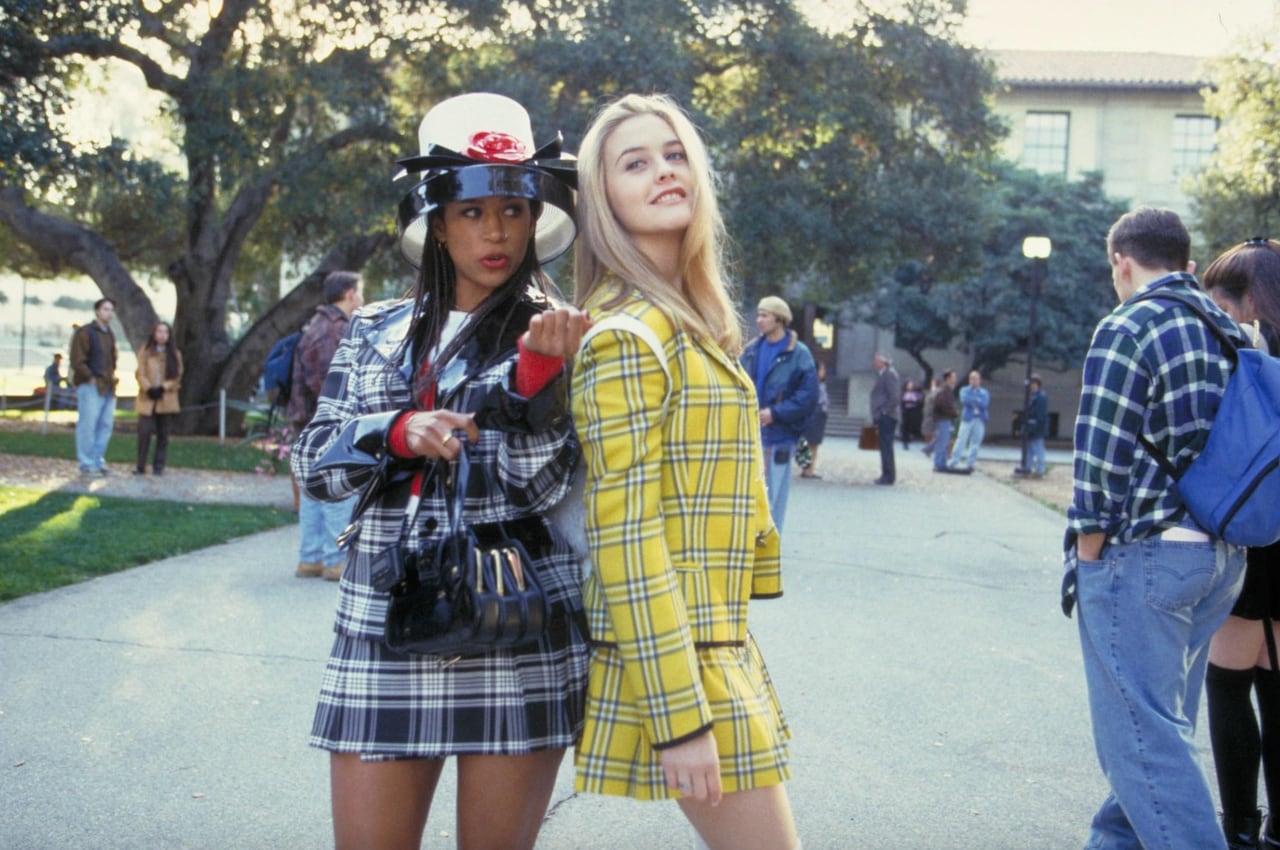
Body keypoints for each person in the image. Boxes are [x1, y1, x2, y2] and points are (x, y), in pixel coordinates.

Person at [291, 92, 589, 850]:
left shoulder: (560, 330)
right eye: (471, 211)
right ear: (436, 220)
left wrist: (533, 380)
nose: (495, 232)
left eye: (514, 210)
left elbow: (541, 488)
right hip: (385, 613)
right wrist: (394, 430)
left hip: (515, 613)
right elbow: (313, 464)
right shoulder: (375, 328)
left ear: (536, 216)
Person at [570, 93, 800, 850]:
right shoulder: (628, 335)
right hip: (684, 664)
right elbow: (625, 541)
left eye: (675, 156)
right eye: (635, 162)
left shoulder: (685, 320)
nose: (664, 172)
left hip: (716, 641)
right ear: (602, 197)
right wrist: (678, 719)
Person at [1062, 207, 1248, 850]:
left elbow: (1099, 455)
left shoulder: (1129, 324)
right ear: (1187, 260)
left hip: (1143, 556)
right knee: (1156, 732)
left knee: (1141, 743)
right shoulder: (1228, 329)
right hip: (1220, 558)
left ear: (1122, 261)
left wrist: (1087, 552)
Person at [1201, 237, 1280, 850]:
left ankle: (1242, 832)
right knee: (1277, 683)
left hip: (1254, 531)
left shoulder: (1241, 354)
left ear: (1248, 298)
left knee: (1228, 684)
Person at [288, 271, 365, 580]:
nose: (361, 297)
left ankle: (311, 558)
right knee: (337, 489)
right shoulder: (334, 331)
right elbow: (330, 384)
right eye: (359, 291)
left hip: (307, 421)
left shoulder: (316, 325)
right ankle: (335, 560)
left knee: (313, 491)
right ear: (348, 293)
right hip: (327, 422)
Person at [739, 295, 818, 529]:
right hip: (751, 436)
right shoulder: (752, 349)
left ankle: (770, 554)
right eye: (759, 314)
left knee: (773, 501)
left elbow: (808, 396)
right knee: (749, 499)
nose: (759, 320)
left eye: (764, 315)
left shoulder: (799, 354)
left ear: (779, 319)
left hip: (781, 437)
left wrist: (776, 413)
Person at [69, 298, 118, 476]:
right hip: (91, 386)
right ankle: (86, 463)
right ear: (97, 311)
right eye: (106, 309)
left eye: (111, 310)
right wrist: (89, 377)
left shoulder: (109, 334)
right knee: (87, 425)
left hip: (108, 386)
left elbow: (112, 360)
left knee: (105, 425)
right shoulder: (85, 333)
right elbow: (77, 359)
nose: (109, 313)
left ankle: (98, 460)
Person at [133, 321, 184, 476]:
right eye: (159, 331)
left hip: (166, 398)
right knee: (144, 432)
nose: (162, 335)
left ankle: (158, 466)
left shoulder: (175, 354)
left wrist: (163, 387)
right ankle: (140, 465)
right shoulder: (146, 351)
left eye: (165, 332)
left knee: (163, 434)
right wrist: (148, 387)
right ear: (154, 334)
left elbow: (177, 375)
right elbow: (140, 372)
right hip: (147, 398)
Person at [946, 369, 988, 473]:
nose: (974, 381)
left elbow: (984, 404)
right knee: (961, 439)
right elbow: (965, 400)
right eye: (972, 379)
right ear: (969, 380)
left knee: (976, 442)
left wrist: (974, 400)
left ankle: (970, 463)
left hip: (980, 419)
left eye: (976, 379)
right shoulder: (964, 390)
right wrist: (977, 400)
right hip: (968, 418)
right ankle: (954, 461)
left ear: (980, 380)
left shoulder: (984, 392)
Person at [869, 351, 900, 485]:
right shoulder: (883, 374)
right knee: (884, 446)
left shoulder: (889, 374)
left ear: (882, 362)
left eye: (876, 360)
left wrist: (884, 411)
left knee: (886, 445)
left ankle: (888, 475)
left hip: (887, 415)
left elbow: (894, 396)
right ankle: (886, 474)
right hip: (884, 414)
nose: (874, 362)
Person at [800, 361, 830, 479]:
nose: (824, 372)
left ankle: (809, 469)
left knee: (813, 444)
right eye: (822, 369)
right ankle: (808, 470)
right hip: (814, 415)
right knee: (810, 444)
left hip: (818, 416)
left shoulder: (820, 383)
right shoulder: (813, 384)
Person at [929, 370, 958, 472]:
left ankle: (942, 463)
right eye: (953, 377)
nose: (955, 379)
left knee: (944, 442)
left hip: (946, 419)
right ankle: (939, 464)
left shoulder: (947, 390)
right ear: (948, 378)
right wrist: (953, 412)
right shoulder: (944, 391)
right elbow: (942, 405)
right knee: (942, 442)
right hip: (943, 419)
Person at [1023, 374, 1049, 478]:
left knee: (1038, 449)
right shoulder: (1032, 396)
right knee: (1029, 449)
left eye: (1034, 384)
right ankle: (1028, 467)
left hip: (1037, 427)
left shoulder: (1041, 396)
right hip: (1031, 426)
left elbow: (1040, 414)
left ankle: (1040, 470)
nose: (1032, 386)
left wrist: (1036, 426)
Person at [899, 379, 923, 449]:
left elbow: (918, 401)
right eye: (909, 385)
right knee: (905, 426)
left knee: (910, 425)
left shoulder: (915, 393)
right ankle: (904, 441)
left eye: (911, 385)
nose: (910, 387)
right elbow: (903, 401)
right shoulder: (903, 393)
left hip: (913, 412)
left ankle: (910, 437)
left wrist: (912, 401)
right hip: (905, 411)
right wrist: (910, 401)